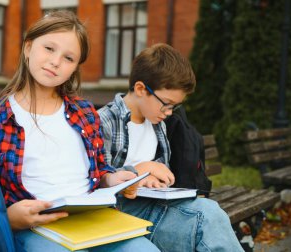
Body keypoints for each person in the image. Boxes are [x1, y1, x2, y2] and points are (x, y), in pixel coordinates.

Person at [0, 11, 159, 252]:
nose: (56, 61)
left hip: (93, 220)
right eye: (49, 48)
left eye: (68, 58)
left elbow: (99, 170)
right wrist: (8, 217)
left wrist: (112, 179)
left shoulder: (85, 113)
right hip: (36, 229)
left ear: (75, 68)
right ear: (28, 48)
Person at [98, 43, 244, 252]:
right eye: (166, 103)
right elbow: (96, 179)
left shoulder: (157, 124)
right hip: (120, 215)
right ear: (140, 89)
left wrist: (154, 179)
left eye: (174, 106)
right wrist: (140, 170)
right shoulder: (104, 121)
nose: (169, 112)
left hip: (154, 206)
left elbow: (158, 170)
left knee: (210, 211)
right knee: (205, 219)